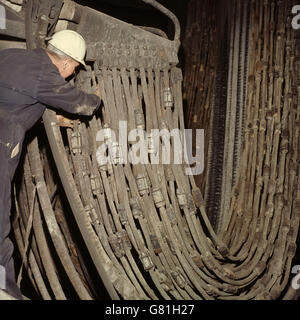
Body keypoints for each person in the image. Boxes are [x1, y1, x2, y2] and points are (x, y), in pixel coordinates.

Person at [0, 29, 101, 299]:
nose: (70, 75)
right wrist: (97, 97)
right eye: (73, 70)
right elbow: (82, 104)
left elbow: (15, 97)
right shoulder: (46, 75)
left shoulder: (10, 57)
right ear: (67, 63)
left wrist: (51, 118)